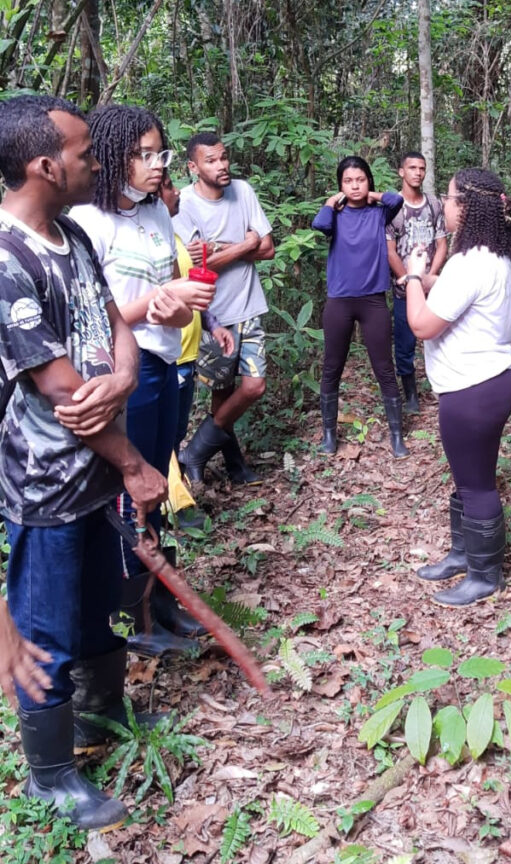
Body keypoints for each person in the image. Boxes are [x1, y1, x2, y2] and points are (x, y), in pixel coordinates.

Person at [0, 94, 169, 831]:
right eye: (81, 150)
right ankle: (51, 773)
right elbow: (63, 388)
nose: (96, 159)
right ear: (44, 164)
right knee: (45, 626)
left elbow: (114, 324)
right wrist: (135, 464)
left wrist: (126, 377)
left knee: (106, 603)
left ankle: (103, 711)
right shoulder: (7, 261)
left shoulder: (73, 234)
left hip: (96, 480)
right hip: (47, 484)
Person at [69, 105, 212, 659]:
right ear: (112, 157)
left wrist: (180, 305)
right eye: (143, 155)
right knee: (137, 490)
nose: (157, 166)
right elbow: (88, 318)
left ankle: (165, 599)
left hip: (169, 362)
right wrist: (151, 306)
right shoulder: (88, 221)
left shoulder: (157, 213)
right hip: (124, 372)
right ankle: (139, 614)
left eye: (161, 154)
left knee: (160, 480)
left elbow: (168, 293)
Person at [403, 168, 511, 606]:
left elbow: (422, 325)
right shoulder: (495, 255)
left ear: (467, 207)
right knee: (470, 476)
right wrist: (430, 281)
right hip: (493, 381)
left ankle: (485, 576)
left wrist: (414, 276)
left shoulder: (468, 264)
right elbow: (458, 295)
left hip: (472, 389)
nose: (444, 205)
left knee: (476, 485)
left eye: (449, 199)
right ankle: (463, 554)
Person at [172, 132, 275, 486]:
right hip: (212, 314)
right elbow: (193, 267)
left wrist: (221, 250)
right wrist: (245, 242)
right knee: (221, 392)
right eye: (211, 160)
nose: (222, 165)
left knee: (253, 386)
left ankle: (195, 452)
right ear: (193, 167)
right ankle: (234, 464)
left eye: (224, 157)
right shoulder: (182, 204)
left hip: (248, 305)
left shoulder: (243, 191)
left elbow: (268, 248)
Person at [311, 155, 409, 458]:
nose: (355, 185)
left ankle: (396, 436)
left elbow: (397, 200)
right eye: (348, 181)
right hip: (340, 301)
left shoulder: (379, 213)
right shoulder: (336, 216)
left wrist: (372, 195)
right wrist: (332, 201)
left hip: (373, 301)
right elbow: (320, 224)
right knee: (332, 367)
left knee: (384, 368)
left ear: (369, 181)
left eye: (360, 179)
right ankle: (329, 435)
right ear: (340, 185)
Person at [156, 172, 233, 456]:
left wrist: (213, 325)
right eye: (168, 187)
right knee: (158, 439)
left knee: (175, 434)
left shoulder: (174, 236)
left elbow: (193, 290)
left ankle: (171, 493)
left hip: (187, 354)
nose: (177, 192)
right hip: (165, 358)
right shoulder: (151, 245)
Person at [386, 151, 447, 413]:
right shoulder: (393, 207)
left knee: (441, 337)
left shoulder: (434, 204)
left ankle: (443, 387)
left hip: (432, 285)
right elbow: (389, 250)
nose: (417, 173)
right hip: (403, 289)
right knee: (405, 343)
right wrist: (410, 279)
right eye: (412, 167)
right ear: (401, 172)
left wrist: (428, 278)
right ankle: (411, 395)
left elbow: (442, 244)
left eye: (422, 168)